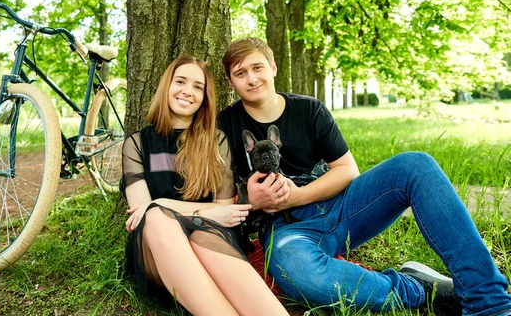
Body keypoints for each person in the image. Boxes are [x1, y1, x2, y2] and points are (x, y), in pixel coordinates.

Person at [217, 37, 511, 314]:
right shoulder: (225, 125)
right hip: (286, 229)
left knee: (415, 166)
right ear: (230, 82)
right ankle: (418, 288)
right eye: (241, 73)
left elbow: (347, 170)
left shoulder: (309, 109)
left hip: (342, 205)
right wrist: (252, 202)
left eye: (257, 67)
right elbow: (219, 198)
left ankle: (489, 301)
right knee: (302, 274)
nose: (252, 78)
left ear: (273, 67)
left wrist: (298, 195)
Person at [121, 55, 288, 316]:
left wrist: (165, 205)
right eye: (180, 82)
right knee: (155, 218)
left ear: (205, 97)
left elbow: (227, 211)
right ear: (167, 86)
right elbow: (141, 213)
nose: (188, 91)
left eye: (198, 87)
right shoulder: (137, 144)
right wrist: (172, 208)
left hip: (208, 235)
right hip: (160, 248)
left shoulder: (216, 141)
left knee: (199, 233)